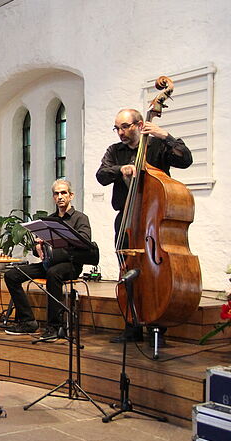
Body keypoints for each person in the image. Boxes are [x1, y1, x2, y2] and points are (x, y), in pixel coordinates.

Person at [96, 108, 192, 342]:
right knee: (127, 271)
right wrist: (122, 169)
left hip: (154, 221)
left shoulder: (157, 147)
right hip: (127, 218)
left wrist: (164, 135)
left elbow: (186, 160)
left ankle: (157, 325)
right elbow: (101, 175)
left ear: (139, 125)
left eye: (125, 127)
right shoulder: (115, 151)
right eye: (117, 128)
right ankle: (132, 325)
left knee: (155, 272)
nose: (120, 133)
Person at [4, 179, 93, 338]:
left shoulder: (80, 218)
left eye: (63, 193)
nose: (60, 196)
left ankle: (54, 326)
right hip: (49, 263)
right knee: (11, 275)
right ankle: (28, 321)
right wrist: (37, 246)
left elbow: (85, 243)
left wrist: (61, 240)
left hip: (70, 265)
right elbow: (39, 252)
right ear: (53, 197)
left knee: (53, 273)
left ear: (71, 195)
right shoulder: (49, 220)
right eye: (56, 194)